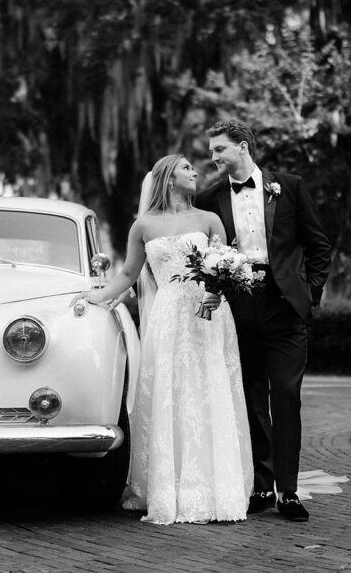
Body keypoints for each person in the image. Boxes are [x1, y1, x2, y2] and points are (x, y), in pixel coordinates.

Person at [71, 154, 253, 525]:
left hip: (207, 313)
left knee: (208, 390)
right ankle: (169, 488)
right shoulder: (143, 225)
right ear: (169, 177)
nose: (195, 171)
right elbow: (128, 273)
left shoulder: (208, 219)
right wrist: (96, 298)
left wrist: (216, 292)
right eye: (186, 167)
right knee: (172, 393)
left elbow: (225, 265)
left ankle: (218, 488)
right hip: (168, 316)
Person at [196, 120, 332, 522]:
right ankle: (261, 484)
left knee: (286, 393)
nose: (213, 156)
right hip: (240, 306)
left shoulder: (289, 186)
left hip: (285, 305)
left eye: (220, 148)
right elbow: (206, 252)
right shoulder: (210, 198)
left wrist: (309, 294)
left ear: (242, 146)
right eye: (212, 150)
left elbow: (318, 245)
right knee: (251, 395)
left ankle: (288, 491)